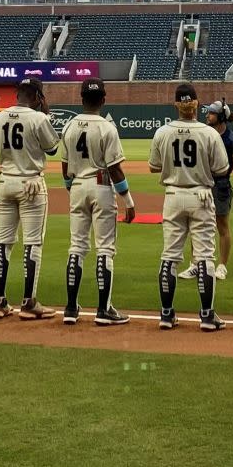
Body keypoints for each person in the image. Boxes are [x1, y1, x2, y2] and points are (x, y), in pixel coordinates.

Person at [151, 83, 231, 331]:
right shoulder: (210, 134)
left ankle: (166, 314)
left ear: (176, 104)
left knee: (169, 256)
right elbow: (221, 170)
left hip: (173, 195)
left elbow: (154, 166)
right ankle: (207, 316)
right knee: (205, 255)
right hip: (201, 196)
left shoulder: (162, 132)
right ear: (196, 104)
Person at [60, 80, 137, 325]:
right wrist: (128, 200)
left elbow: (64, 164)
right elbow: (115, 169)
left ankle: (71, 308)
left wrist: (71, 189)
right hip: (101, 184)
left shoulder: (69, 126)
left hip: (78, 186)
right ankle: (104, 310)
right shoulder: (107, 128)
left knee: (77, 247)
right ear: (103, 100)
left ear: (81, 99)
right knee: (104, 248)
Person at [0, 78, 60, 319]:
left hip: (4, 182)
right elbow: (52, 148)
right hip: (30, 182)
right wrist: (47, 114)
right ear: (38, 97)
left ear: (18, 93)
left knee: (3, 242)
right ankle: (29, 303)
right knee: (32, 243)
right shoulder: (38, 118)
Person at [202, 101, 233, 280]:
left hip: (221, 185)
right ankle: (196, 264)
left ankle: (222, 265)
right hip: (204, 184)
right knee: (199, 226)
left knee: (222, 226)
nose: (207, 115)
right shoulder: (204, 135)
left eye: (211, 113)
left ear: (220, 117)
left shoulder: (232, 140)